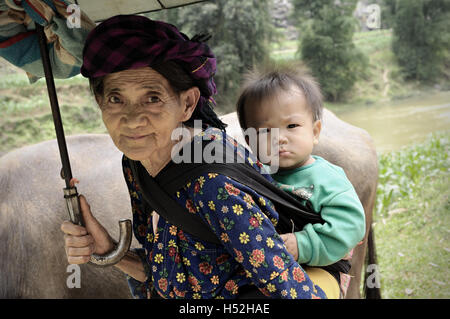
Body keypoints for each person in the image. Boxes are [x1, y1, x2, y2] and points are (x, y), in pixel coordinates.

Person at [60, 15, 328, 299]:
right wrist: (107, 250)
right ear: (100, 103)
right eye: (116, 99)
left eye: (152, 98)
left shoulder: (214, 184)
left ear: (187, 104)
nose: (132, 120)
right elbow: (163, 273)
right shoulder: (137, 162)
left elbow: (292, 289)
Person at [236, 63, 366, 298]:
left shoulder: (327, 179)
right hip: (271, 271)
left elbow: (352, 225)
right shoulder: (256, 178)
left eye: (292, 126)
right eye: (265, 131)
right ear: (249, 140)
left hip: (319, 269)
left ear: (315, 131)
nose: (279, 138)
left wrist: (303, 244)